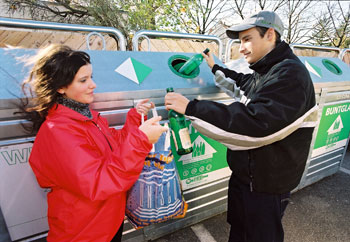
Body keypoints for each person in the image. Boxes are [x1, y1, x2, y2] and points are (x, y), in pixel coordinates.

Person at [165, 11, 318, 242]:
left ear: (269, 35)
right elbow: (245, 85)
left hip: (267, 184)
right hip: (247, 176)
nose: (242, 48)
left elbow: (256, 124)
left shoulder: (290, 75)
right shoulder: (267, 69)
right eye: (240, 41)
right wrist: (216, 67)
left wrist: (192, 108)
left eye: (247, 39)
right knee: (240, 230)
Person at [19, 44, 168, 242]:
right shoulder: (58, 132)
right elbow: (99, 182)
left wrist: (135, 118)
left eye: (91, 77)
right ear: (61, 87)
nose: (93, 84)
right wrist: (142, 141)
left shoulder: (87, 117)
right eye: (83, 80)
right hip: (85, 232)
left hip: (107, 222)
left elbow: (115, 146)